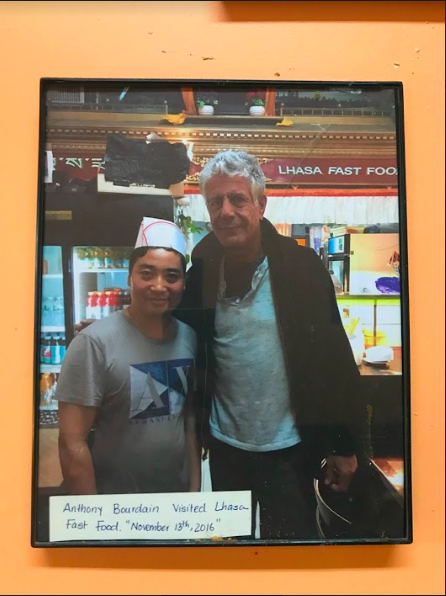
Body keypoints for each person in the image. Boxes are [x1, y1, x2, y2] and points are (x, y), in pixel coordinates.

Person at [178, 150, 368, 539]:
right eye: (216, 202)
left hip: (291, 449)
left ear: (261, 203)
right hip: (227, 448)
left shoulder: (302, 269)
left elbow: (333, 361)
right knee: (235, 554)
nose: (226, 211)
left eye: (238, 199)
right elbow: (175, 336)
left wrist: (344, 444)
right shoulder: (202, 273)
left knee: (292, 556)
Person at [56, 219, 201, 495]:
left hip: (176, 504)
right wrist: (93, 520)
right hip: (115, 508)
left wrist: (194, 493)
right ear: (129, 277)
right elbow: (71, 443)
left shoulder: (189, 338)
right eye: (147, 274)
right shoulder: (93, 343)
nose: (159, 286)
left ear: (183, 283)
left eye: (171, 276)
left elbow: (188, 424)